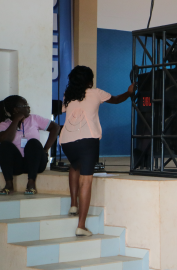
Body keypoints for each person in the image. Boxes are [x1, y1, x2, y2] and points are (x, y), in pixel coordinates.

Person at [60, 66, 134, 237]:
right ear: (89, 80)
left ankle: (73, 205)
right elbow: (116, 99)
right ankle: (81, 226)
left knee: (74, 165)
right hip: (88, 140)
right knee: (86, 181)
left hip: (66, 141)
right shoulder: (96, 93)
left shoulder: (68, 96)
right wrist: (129, 92)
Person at [0, 95, 60, 195]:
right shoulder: (4, 124)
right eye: (25, 105)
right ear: (16, 109)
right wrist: (16, 120)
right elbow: (4, 140)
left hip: (36, 164)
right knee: (3, 146)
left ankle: (31, 183)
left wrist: (45, 150)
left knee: (33, 142)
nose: (28, 107)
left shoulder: (33, 119)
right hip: (17, 166)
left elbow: (55, 127)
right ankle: (9, 184)